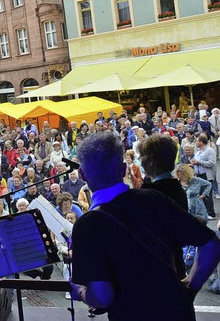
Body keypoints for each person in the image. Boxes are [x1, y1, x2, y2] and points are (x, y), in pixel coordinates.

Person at [70, 132, 220, 321]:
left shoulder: (87, 225)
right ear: (124, 168)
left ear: (83, 174)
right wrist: (190, 288)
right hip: (177, 312)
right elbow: (211, 244)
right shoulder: (154, 198)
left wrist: (81, 292)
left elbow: (102, 296)